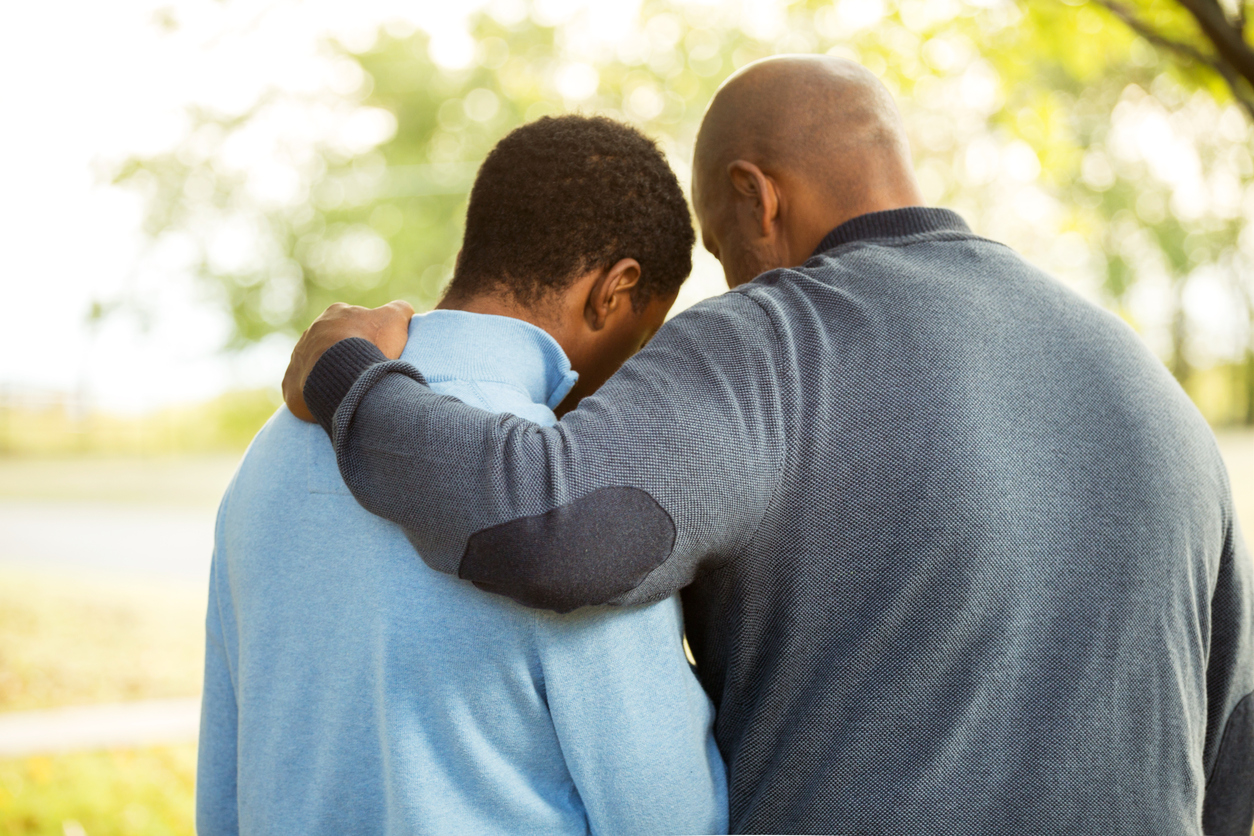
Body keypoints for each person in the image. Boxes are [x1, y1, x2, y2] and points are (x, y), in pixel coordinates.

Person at [283, 56, 1254, 835]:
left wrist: (352, 382)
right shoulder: (1152, 389)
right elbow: (1234, 752)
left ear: (756, 198)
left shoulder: (774, 343)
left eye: (716, 244)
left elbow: (551, 525)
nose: (728, 275)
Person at [197, 115, 728, 836]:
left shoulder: (272, 451)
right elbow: (667, 816)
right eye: (643, 334)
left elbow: (226, 779)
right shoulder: (567, 497)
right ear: (614, 290)